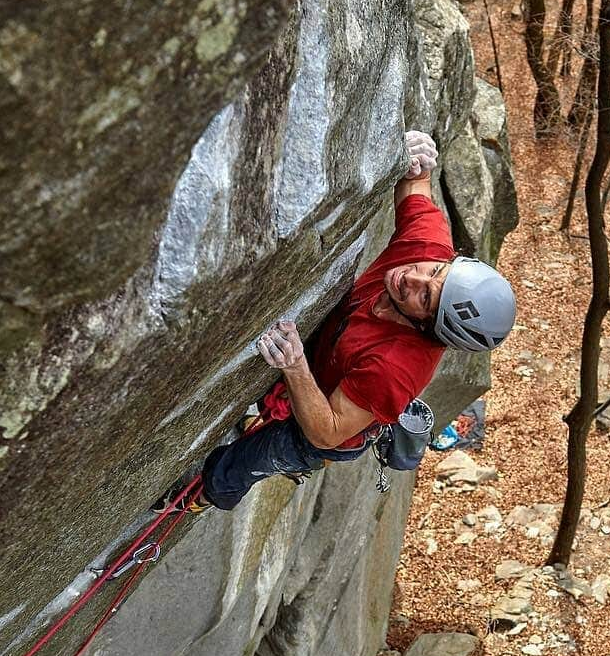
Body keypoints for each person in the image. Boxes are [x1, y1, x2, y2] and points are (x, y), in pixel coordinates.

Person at [176, 129, 515, 512]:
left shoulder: (395, 368)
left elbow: (328, 431)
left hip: (332, 428)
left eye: (425, 297)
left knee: (247, 461)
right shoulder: (428, 252)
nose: (413, 277)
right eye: (436, 272)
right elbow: (416, 188)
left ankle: (200, 498)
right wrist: (416, 160)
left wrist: (295, 368)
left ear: (428, 327)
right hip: (329, 358)